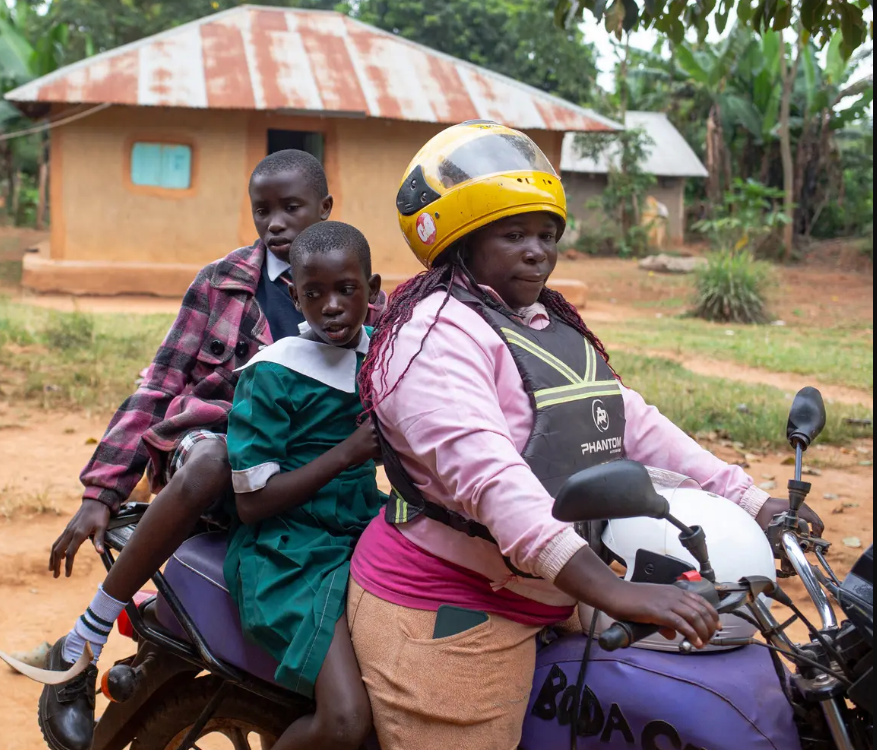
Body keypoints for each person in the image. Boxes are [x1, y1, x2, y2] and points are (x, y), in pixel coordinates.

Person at [345, 121, 824, 750]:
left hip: (561, 580)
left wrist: (752, 501)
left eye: (546, 235)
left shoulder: (542, 324)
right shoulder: (431, 336)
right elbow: (494, 483)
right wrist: (619, 593)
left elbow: (632, 422)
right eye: (512, 234)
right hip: (452, 608)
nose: (536, 251)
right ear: (460, 244)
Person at [39, 151, 384, 750]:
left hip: (303, 480)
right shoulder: (222, 281)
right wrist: (103, 490)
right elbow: (160, 381)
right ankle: (84, 641)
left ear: (326, 208)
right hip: (213, 444)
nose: (275, 223)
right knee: (215, 457)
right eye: (262, 211)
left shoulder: (352, 289)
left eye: (291, 207)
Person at [223, 220, 382, 749]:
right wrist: (349, 453)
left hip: (365, 532)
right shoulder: (272, 373)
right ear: (293, 295)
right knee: (344, 720)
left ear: (373, 289)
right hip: (287, 554)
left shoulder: (383, 358)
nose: (331, 306)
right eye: (313, 294)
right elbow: (252, 504)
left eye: (347, 290)